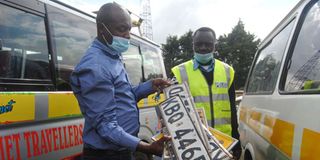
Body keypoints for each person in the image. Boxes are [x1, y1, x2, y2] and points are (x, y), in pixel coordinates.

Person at [70, 3, 170, 160]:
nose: (128, 35)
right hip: (106, 155)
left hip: (121, 150)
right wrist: (146, 147)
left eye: (129, 29)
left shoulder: (112, 56)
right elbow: (106, 125)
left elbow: (123, 96)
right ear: (102, 28)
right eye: (122, 29)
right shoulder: (96, 66)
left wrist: (149, 86)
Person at [171, 27, 241, 159]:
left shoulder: (228, 71)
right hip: (194, 143)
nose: (203, 48)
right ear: (193, 45)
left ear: (215, 45)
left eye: (208, 44)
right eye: (198, 44)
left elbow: (232, 107)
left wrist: (236, 138)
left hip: (223, 142)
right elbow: (174, 114)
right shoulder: (179, 72)